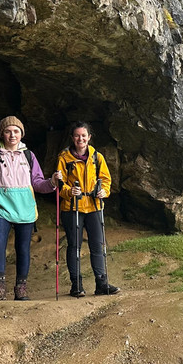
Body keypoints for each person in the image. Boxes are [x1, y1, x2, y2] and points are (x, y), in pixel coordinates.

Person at [0, 116, 56, 301]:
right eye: (8, 131)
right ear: (2, 133)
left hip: (24, 207)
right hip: (0, 206)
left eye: (16, 131)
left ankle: (21, 288)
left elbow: (38, 183)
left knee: (23, 248)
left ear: (22, 134)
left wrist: (52, 183)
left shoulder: (29, 155)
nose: (12, 135)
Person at [53, 121, 120, 297]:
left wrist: (103, 191)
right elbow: (59, 184)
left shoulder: (97, 157)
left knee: (97, 245)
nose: (80, 139)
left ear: (89, 137)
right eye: (77, 135)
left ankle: (101, 283)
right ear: (72, 138)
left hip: (94, 206)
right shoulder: (64, 158)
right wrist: (69, 191)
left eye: (84, 135)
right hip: (72, 207)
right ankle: (76, 285)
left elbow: (106, 179)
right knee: (74, 246)